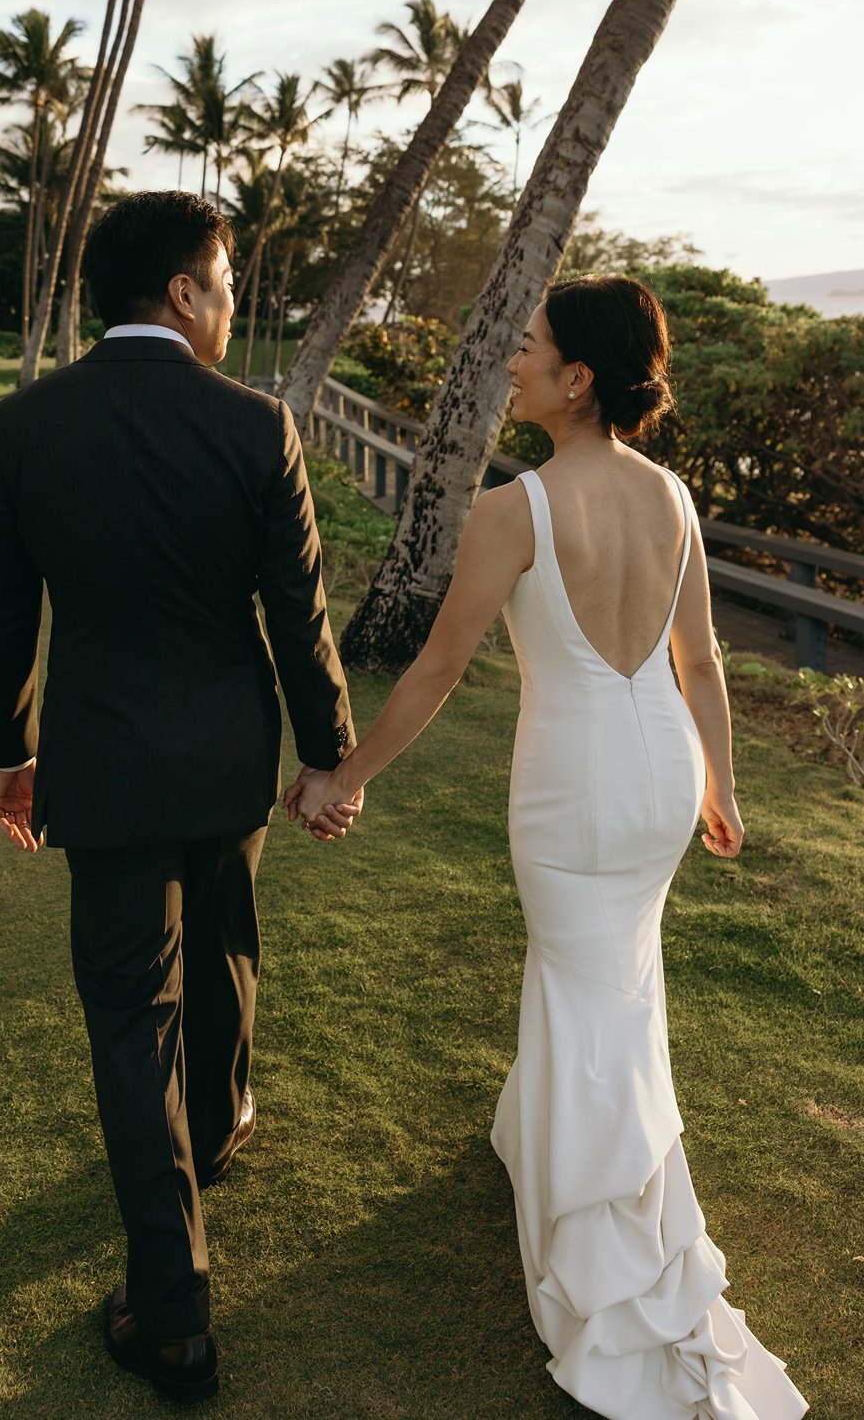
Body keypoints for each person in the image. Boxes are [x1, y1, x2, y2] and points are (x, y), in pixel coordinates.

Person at [289, 275, 807, 1419]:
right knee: (610, 987)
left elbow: (435, 670)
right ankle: (546, 1142)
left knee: (591, 1002)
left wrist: (342, 781)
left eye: (528, 348)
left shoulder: (511, 509)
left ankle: (615, 1250)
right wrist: (720, 785)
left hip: (573, 789)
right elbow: (701, 664)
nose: (513, 361)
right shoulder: (671, 496)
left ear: (577, 377)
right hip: (661, 774)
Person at [0, 189, 358, 1405]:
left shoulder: (24, 423)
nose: (233, 305)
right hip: (227, 754)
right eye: (227, 283)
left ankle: (174, 1302)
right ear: (183, 293)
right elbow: (296, 611)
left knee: (132, 1010)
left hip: (102, 760)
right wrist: (327, 753)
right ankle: (221, 1132)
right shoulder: (254, 426)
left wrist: (10, 750)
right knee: (228, 943)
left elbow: (0, 609)